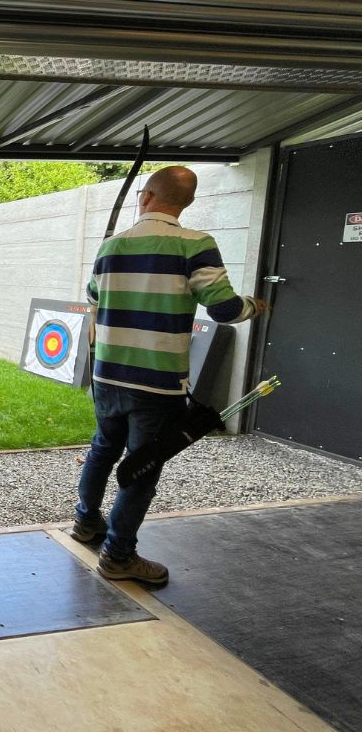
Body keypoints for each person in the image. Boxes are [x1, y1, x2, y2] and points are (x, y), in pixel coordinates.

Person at [72, 166, 269, 585]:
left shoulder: (111, 247)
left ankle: (86, 523)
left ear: (145, 196)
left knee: (104, 448)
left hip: (107, 374)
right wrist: (255, 304)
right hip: (156, 382)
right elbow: (225, 310)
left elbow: (93, 296)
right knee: (144, 465)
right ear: (187, 202)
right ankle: (118, 556)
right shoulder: (196, 245)